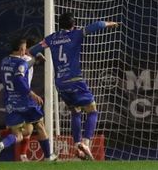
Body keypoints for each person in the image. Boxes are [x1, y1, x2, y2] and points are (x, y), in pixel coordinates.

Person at [32, 11, 119, 160]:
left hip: (60, 83)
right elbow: (95, 26)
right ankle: (86, 141)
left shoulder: (51, 39)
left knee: (75, 111)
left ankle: (77, 145)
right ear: (73, 25)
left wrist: (39, 56)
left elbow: (32, 50)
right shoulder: (76, 34)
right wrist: (110, 23)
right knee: (92, 110)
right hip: (75, 80)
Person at [0, 37, 55, 162]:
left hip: (10, 102)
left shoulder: (4, 61)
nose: (25, 51)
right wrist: (32, 94)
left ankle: (1, 144)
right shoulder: (22, 62)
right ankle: (48, 157)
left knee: (19, 134)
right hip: (25, 100)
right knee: (39, 125)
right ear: (21, 49)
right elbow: (20, 77)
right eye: (24, 49)